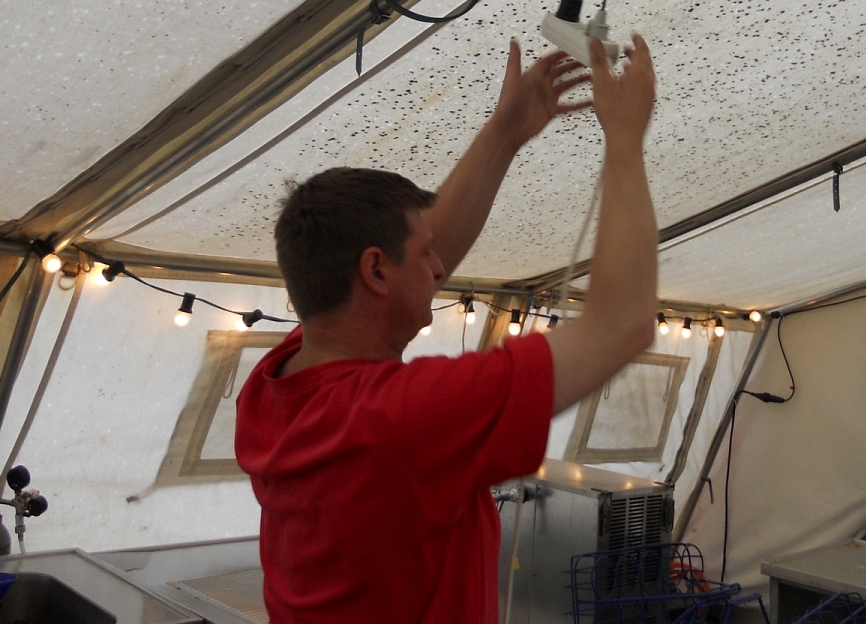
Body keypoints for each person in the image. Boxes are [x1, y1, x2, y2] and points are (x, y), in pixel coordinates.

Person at [235, 35, 658, 624]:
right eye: (425, 255)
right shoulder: (397, 419)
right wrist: (626, 141)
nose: (441, 269)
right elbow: (623, 324)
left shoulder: (275, 386)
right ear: (375, 271)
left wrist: (505, 134)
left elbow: (412, 259)